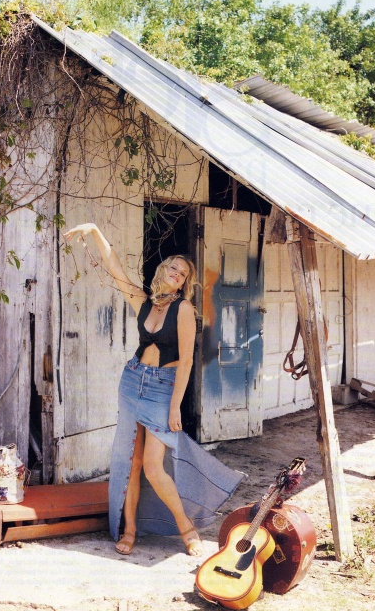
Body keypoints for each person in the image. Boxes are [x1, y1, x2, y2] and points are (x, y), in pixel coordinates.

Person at [63, 222, 244, 557]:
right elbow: (115, 267)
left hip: (163, 389)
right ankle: (129, 530)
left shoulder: (183, 309)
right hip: (132, 382)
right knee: (131, 463)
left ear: (185, 282)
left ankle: (186, 527)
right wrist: (95, 231)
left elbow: (186, 362)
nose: (177, 273)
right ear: (163, 269)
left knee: (152, 466)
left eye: (183, 273)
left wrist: (175, 406)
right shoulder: (144, 302)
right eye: (174, 267)